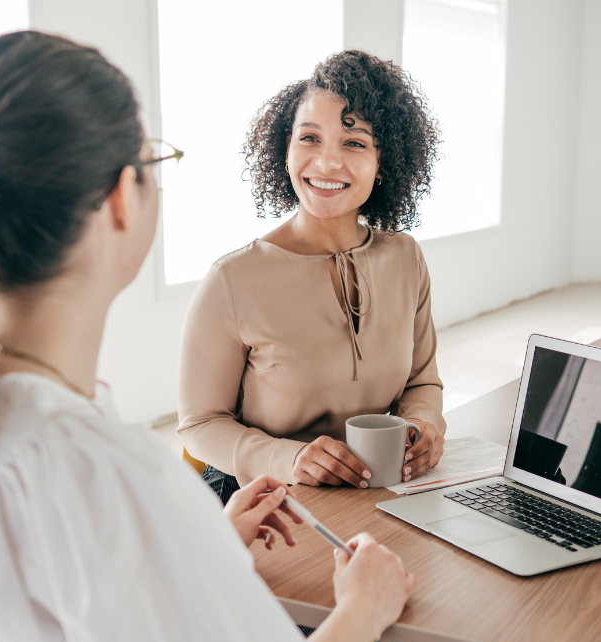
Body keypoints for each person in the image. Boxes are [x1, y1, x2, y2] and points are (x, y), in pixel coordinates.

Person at [0, 32, 543, 642]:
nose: (328, 159)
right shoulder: (94, 459)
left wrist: (202, 541)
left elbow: (62, 590)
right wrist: (364, 608)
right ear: (120, 197)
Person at [178, 51, 447, 504]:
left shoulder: (405, 258)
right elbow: (200, 426)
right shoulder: (232, 279)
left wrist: (424, 426)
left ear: (385, 162)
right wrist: (289, 458)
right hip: (258, 498)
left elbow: (422, 381)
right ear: (285, 152)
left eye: (354, 143)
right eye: (309, 138)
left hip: (370, 491)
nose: (326, 163)